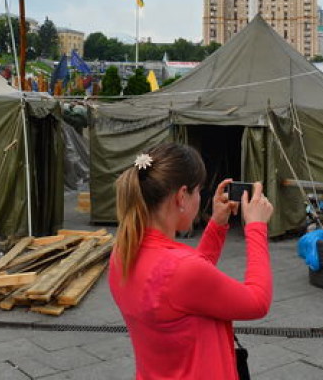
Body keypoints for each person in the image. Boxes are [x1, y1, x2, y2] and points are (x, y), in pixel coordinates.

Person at [109, 142, 274, 379]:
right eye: (198, 191)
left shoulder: (123, 252)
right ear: (181, 197)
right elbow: (257, 302)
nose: (200, 198)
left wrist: (217, 223)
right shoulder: (180, 270)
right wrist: (257, 226)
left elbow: (185, 289)